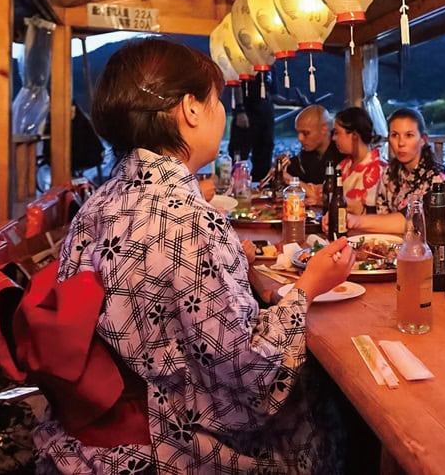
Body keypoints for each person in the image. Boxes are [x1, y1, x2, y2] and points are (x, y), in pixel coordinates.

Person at [31, 38, 356, 472]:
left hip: (85, 435)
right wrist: (306, 288)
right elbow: (250, 375)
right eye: (216, 99)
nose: (221, 112)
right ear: (190, 109)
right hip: (164, 445)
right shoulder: (187, 220)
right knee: (336, 412)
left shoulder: (97, 203)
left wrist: (228, 263)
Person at [347, 108, 445, 234]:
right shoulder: (389, 173)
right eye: (395, 135)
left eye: (409, 135)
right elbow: (381, 216)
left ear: (423, 139)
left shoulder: (437, 177)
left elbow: (430, 228)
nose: (401, 143)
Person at [333, 106, 387, 214]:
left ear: (354, 135)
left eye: (337, 133)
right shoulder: (342, 166)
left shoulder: (379, 168)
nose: (334, 138)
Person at [228, 71, 275, 182]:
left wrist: (293, 101)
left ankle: (261, 185)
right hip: (247, 113)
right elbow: (235, 82)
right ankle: (236, 184)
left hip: (265, 116)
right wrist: (240, 110)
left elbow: (272, 94)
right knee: (239, 155)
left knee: (264, 155)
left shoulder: (271, 67)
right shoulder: (246, 62)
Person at [286, 104, 344, 186]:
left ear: (324, 129)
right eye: (298, 132)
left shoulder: (342, 154)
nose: (300, 138)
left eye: (306, 133)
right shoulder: (304, 156)